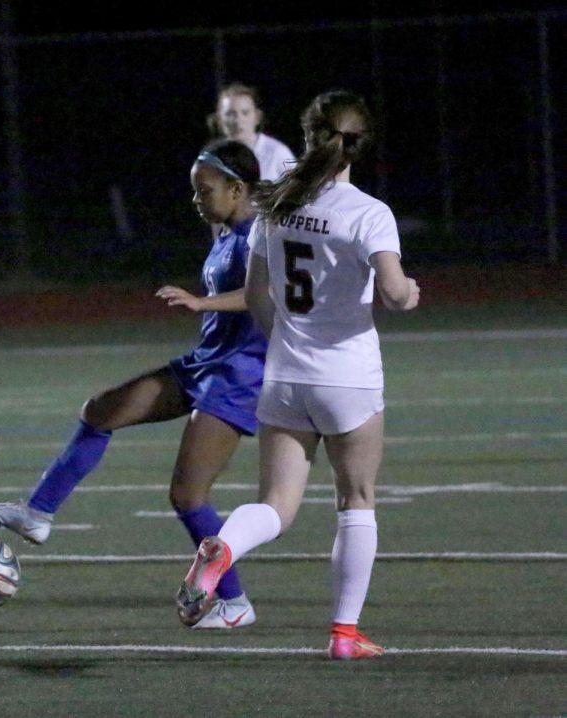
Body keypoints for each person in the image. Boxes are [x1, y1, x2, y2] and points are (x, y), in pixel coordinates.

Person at [0, 139, 266, 629]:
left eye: (205, 192)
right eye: (194, 192)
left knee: (187, 496)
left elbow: (265, 294)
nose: (196, 201)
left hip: (239, 376)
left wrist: (201, 303)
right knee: (100, 409)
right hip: (204, 363)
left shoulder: (262, 233)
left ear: (237, 189)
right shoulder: (224, 231)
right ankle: (38, 513)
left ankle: (234, 603)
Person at [177, 90, 420, 659]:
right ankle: (344, 634)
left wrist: (285, 338)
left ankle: (225, 548)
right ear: (360, 145)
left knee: (276, 506)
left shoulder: (276, 205)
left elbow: (259, 298)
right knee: (355, 499)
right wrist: (409, 295)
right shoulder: (368, 212)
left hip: (284, 375)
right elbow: (391, 290)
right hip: (348, 378)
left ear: (309, 136)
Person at [208, 82, 295, 182]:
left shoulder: (277, 153)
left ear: (257, 117)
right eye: (230, 113)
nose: (238, 120)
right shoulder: (212, 157)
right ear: (219, 119)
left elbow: (300, 189)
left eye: (245, 113)